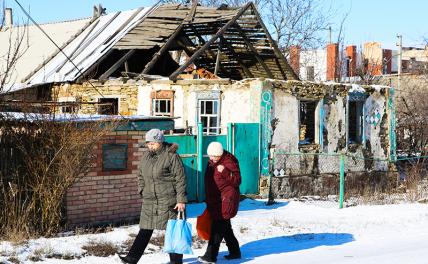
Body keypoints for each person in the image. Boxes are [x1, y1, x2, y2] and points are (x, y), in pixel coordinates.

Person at [119, 128, 187, 264]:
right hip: (150, 200)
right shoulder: (146, 157)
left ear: (160, 142)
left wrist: (181, 200)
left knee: (173, 232)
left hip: (168, 201)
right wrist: (142, 190)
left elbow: (181, 179)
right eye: (149, 143)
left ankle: (176, 261)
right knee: (144, 230)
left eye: (153, 143)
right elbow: (140, 176)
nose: (150, 146)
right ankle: (131, 259)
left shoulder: (171, 156)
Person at [198, 142, 241, 264]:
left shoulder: (229, 162)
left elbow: (237, 180)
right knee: (225, 227)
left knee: (217, 228)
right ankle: (235, 251)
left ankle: (210, 256)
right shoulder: (212, 162)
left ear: (220, 154)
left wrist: (225, 172)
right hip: (215, 200)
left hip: (225, 200)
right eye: (210, 156)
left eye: (214, 156)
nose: (211, 158)